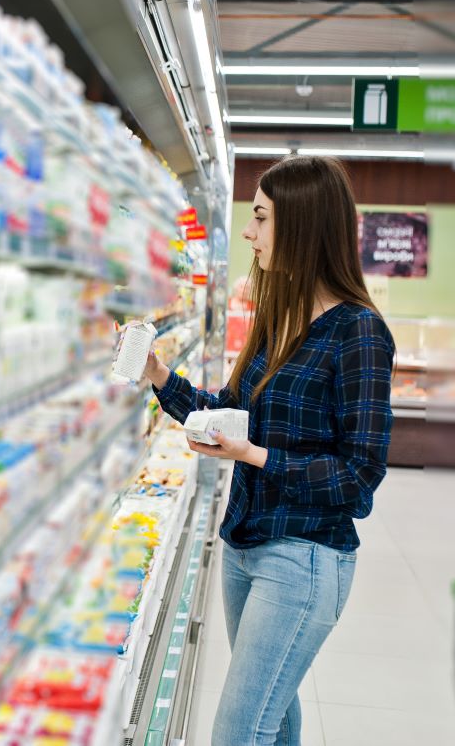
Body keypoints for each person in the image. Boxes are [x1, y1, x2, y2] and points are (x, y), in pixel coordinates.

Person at [142, 155, 394, 745]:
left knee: (237, 731)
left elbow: (360, 477)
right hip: (245, 544)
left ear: (302, 225)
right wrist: (159, 376)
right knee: (273, 717)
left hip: (304, 558)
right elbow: (225, 412)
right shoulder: (277, 318)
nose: (249, 232)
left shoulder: (359, 332)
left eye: (259, 218)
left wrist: (255, 456)